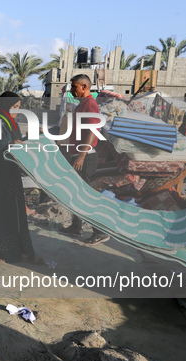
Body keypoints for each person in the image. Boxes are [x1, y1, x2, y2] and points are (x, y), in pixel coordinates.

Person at [0, 91, 37, 263]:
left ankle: (21, 250)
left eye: (19, 107)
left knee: (15, 213)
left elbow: (18, 144)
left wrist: (32, 137)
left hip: (11, 174)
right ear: (5, 106)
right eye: (14, 107)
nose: (17, 111)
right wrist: (10, 145)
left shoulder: (13, 124)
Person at [62, 74, 110, 245]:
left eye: (74, 87)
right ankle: (76, 227)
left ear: (84, 87)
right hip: (79, 155)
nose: (72, 90)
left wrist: (81, 155)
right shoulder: (82, 104)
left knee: (84, 196)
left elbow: (93, 130)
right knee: (76, 194)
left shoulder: (89, 104)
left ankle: (99, 231)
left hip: (85, 157)